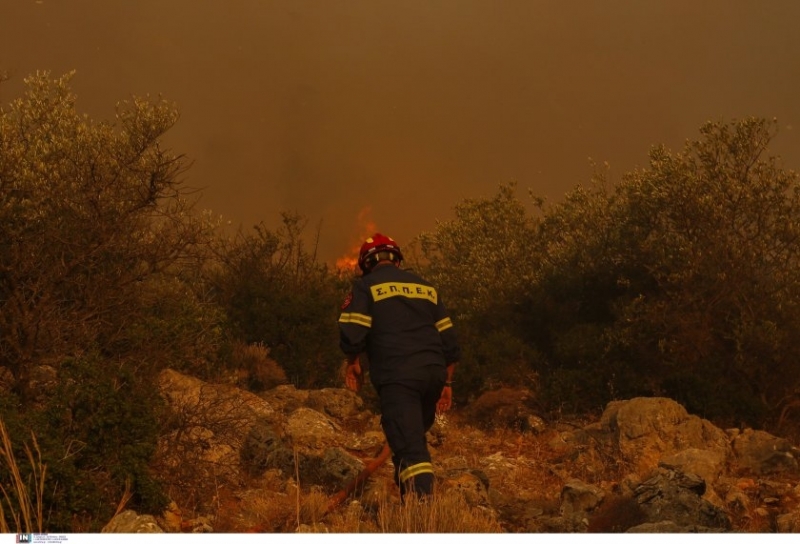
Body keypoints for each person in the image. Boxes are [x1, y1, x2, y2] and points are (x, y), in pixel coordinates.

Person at [338, 233, 460, 500]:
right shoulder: (426, 287)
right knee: (408, 438)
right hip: (433, 374)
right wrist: (447, 383)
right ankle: (409, 500)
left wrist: (353, 362)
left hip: (398, 376)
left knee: (411, 447)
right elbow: (450, 341)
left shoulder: (365, 287)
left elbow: (352, 329)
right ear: (397, 259)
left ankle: (422, 514)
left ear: (366, 264)